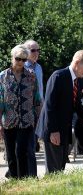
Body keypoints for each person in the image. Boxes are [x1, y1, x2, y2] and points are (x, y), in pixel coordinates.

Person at [36, 50, 83, 173]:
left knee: (60, 168)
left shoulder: (77, 80)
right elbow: (50, 106)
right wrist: (53, 131)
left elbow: (77, 104)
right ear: (77, 63)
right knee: (54, 171)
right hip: (53, 129)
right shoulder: (58, 76)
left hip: (64, 129)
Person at [0, 45, 41, 179]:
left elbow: (37, 99)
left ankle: (23, 180)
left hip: (27, 120)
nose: (21, 63)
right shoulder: (3, 76)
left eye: (24, 60)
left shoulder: (31, 76)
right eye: (18, 59)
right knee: (11, 154)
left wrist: (38, 119)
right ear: (12, 58)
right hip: (9, 121)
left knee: (21, 152)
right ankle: (14, 179)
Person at [24, 39, 43, 177]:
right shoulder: (21, 66)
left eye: (38, 50)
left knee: (33, 142)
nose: (36, 53)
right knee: (29, 143)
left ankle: (13, 172)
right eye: (33, 50)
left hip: (38, 108)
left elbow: (40, 89)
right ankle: (31, 174)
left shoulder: (39, 67)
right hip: (25, 110)